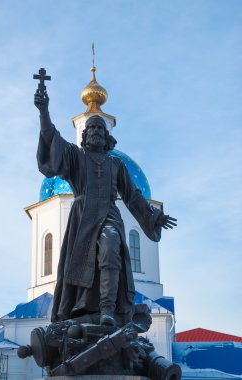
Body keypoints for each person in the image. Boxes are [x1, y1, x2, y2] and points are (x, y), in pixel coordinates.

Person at [35, 90, 177, 326]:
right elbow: (52, 140)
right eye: (91, 129)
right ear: (84, 134)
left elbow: (132, 196)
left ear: (107, 135)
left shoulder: (116, 164)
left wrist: (152, 217)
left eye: (100, 129)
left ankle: (108, 309)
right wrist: (44, 112)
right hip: (83, 218)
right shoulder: (76, 157)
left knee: (111, 247)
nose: (96, 132)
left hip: (109, 214)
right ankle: (80, 308)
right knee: (83, 263)